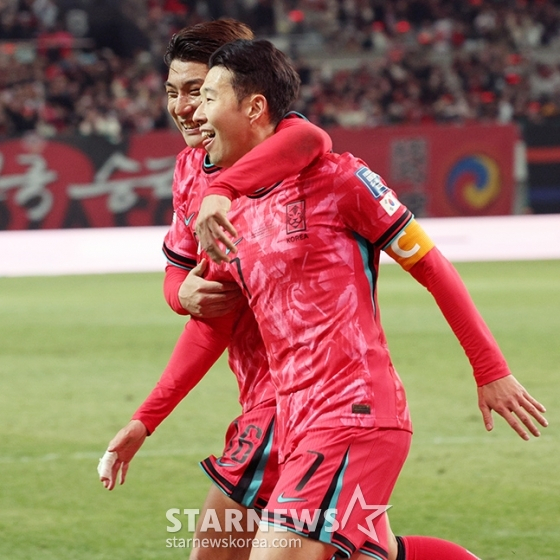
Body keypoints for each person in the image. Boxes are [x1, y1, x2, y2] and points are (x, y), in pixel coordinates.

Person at [189, 39, 548, 560]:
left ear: (254, 107)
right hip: (293, 422)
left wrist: (490, 368)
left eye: (208, 98)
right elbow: (208, 317)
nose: (196, 114)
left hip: (353, 412)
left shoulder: (341, 180)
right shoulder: (235, 214)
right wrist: (183, 295)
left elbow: (431, 266)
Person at [98, 20, 333, 560]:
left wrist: (222, 189)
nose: (184, 108)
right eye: (173, 92)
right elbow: (182, 278)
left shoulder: (284, 153)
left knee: (217, 549)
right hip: (267, 394)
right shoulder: (190, 168)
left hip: (296, 394)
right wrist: (182, 296)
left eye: (199, 92)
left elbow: (310, 137)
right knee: (360, 550)